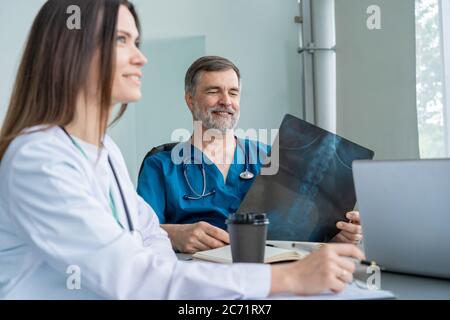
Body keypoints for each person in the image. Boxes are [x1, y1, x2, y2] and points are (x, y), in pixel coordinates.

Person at [0, 0, 364, 299]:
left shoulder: (102, 150)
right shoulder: (39, 159)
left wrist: (330, 232)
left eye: (137, 42)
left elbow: (150, 240)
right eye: (122, 40)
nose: (140, 57)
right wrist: (287, 280)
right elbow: (130, 275)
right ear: (71, 52)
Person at [137, 56, 363, 253]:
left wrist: (337, 237)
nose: (226, 100)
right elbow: (136, 234)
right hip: (197, 275)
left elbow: (301, 234)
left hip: (272, 272)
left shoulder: (271, 157)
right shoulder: (160, 166)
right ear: (190, 100)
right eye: (213, 91)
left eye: (233, 92)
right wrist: (173, 234)